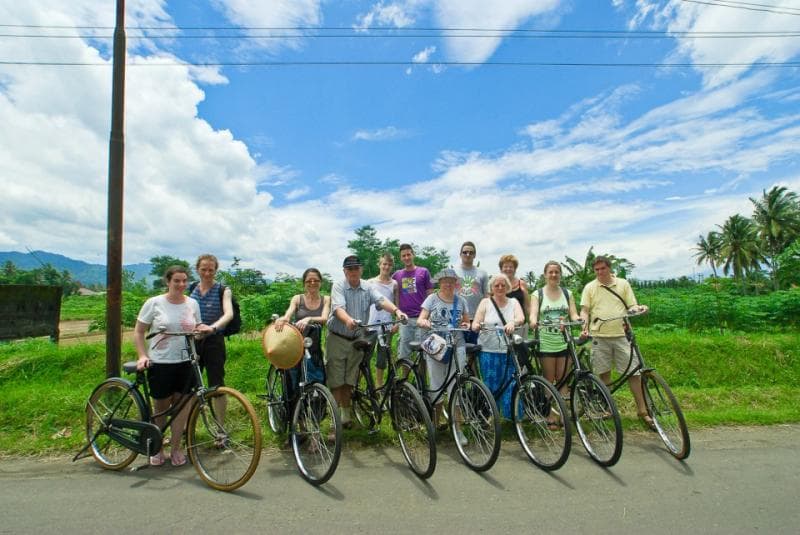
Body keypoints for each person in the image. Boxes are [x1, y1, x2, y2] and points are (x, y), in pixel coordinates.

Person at [134, 265, 213, 467]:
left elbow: (195, 328)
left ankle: (176, 448)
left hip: (186, 362)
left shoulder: (192, 304)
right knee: (160, 408)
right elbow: (139, 331)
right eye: (176, 280)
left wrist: (202, 330)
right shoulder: (154, 303)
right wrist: (142, 355)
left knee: (182, 409)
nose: (181, 284)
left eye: (184, 281)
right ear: (168, 282)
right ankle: (158, 447)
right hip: (161, 362)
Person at [327, 255, 408, 430]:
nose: (353, 272)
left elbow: (381, 300)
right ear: (344, 271)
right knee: (336, 380)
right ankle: (334, 424)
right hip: (338, 337)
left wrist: (397, 311)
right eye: (350, 269)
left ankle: (346, 413)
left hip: (357, 337)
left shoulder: (367, 286)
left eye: (356, 268)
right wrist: (348, 320)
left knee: (350, 378)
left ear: (361, 270)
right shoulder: (339, 286)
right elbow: (338, 308)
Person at [579, 256, 652, 429]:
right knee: (603, 374)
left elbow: (631, 306)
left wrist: (638, 309)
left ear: (609, 268)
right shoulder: (590, 287)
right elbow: (585, 310)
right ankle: (608, 408)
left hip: (621, 334)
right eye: (596, 270)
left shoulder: (622, 284)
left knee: (634, 372)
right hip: (599, 336)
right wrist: (585, 327)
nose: (599, 272)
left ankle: (643, 410)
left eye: (602, 269)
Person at [416, 268, 470, 431]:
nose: (448, 284)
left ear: (455, 284)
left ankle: (457, 428)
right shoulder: (431, 299)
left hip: (457, 346)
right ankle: (435, 422)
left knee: (456, 385)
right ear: (439, 283)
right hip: (436, 347)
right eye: (445, 281)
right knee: (436, 384)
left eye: (451, 281)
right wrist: (424, 322)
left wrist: (466, 325)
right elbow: (421, 319)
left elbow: (466, 320)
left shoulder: (461, 301)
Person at [471, 273, 524, 418]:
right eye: (496, 285)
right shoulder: (485, 303)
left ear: (507, 287)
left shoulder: (513, 302)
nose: (500, 288)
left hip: (508, 350)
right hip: (488, 349)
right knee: (490, 384)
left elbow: (521, 317)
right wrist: (476, 326)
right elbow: (476, 321)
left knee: (511, 384)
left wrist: (513, 322)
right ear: (491, 287)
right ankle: (492, 417)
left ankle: (513, 418)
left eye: (503, 285)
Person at [529, 261, 581, 397]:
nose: (553, 275)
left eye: (556, 272)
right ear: (545, 275)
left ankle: (563, 412)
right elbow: (533, 314)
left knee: (563, 379)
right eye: (550, 272)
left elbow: (573, 314)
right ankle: (551, 413)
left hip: (565, 341)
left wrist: (579, 320)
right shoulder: (537, 294)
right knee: (549, 380)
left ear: (560, 275)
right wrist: (534, 322)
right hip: (546, 343)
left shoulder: (567, 293)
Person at [275, 267, 330, 389]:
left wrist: (308, 318)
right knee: (293, 381)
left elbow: (324, 318)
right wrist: (284, 318)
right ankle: (293, 407)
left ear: (321, 282)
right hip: (294, 343)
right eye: (309, 281)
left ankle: (317, 406)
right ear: (304, 283)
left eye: (316, 280)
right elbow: (289, 313)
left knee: (317, 378)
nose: (312, 283)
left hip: (313, 345)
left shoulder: (326, 299)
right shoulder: (297, 299)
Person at [188, 254, 234, 396]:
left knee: (217, 385)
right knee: (191, 383)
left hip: (214, 341)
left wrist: (212, 327)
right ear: (197, 269)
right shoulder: (193, 288)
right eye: (203, 269)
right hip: (194, 340)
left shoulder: (223, 290)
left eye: (211, 270)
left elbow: (229, 314)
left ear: (216, 270)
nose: (207, 273)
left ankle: (219, 419)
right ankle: (191, 416)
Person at [392, 243, 434, 363]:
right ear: (400, 258)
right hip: (405, 320)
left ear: (413, 255)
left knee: (424, 354)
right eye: (403, 255)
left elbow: (431, 295)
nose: (406, 258)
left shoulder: (424, 272)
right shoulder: (397, 275)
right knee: (404, 354)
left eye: (408, 254)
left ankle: (421, 381)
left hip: (422, 319)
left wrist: (429, 317)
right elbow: (392, 294)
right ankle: (404, 380)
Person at [367, 253, 398, 386]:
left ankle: (379, 386)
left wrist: (397, 323)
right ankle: (369, 385)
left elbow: (397, 304)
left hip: (387, 325)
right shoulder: (369, 282)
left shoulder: (394, 284)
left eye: (389, 264)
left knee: (382, 358)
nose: (386, 267)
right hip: (370, 325)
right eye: (384, 264)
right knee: (365, 357)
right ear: (379, 265)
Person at [454, 241, 488, 345]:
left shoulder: (482, 273)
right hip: (458, 319)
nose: (468, 254)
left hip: (477, 319)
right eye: (465, 252)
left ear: (474, 255)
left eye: (471, 252)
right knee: (458, 350)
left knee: (476, 350)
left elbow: (487, 297)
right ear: (460, 254)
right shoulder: (453, 272)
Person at [499, 254, 530, 337]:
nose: (508, 269)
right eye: (505, 266)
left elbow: (527, 306)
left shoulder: (521, 284)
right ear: (501, 269)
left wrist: (531, 322)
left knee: (520, 348)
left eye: (511, 267)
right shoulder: (497, 285)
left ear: (515, 269)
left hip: (520, 325)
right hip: (502, 325)